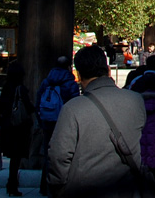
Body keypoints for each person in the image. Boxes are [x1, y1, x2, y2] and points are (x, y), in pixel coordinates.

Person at [48, 45, 146, 198]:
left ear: (79, 75)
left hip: (85, 189)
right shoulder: (136, 100)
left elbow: (59, 155)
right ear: (108, 70)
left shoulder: (72, 108)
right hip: (128, 187)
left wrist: (58, 186)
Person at [36, 56, 80, 196]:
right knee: (64, 152)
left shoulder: (46, 81)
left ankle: (44, 186)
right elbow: (75, 102)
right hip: (63, 121)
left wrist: (40, 118)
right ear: (69, 66)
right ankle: (60, 184)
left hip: (47, 120)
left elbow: (38, 100)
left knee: (48, 153)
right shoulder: (70, 83)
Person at [0, 62, 35, 197]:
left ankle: (11, 183)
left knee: (13, 158)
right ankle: (12, 184)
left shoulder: (6, 87)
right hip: (19, 127)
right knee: (16, 158)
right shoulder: (20, 89)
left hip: (7, 126)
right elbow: (28, 107)